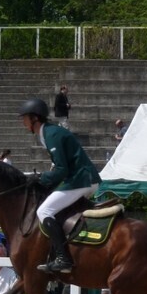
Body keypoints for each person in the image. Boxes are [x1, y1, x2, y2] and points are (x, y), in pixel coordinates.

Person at [18, 97, 100, 273]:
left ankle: (64, 259)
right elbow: (58, 166)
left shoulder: (51, 134)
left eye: (24, 118)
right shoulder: (47, 133)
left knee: (44, 211)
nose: (22, 122)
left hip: (81, 180)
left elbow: (61, 169)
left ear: (34, 118)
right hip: (81, 178)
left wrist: (41, 179)